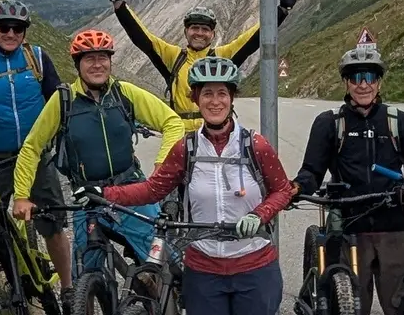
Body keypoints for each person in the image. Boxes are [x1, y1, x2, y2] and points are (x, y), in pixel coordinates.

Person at [91, 57, 296, 315]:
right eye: (207, 93)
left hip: (255, 267)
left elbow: (283, 190)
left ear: (232, 98)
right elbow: (152, 190)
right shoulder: (186, 149)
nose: (215, 101)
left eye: (222, 93)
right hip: (204, 270)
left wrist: (260, 214)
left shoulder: (255, 145)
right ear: (196, 99)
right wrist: (104, 193)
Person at [9, 29, 187, 278]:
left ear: (110, 61)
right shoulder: (63, 101)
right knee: (85, 274)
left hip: (130, 189)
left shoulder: (124, 93)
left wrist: (161, 164)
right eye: (89, 58)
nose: (97, 64)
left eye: (103, 57)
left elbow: (172, 122)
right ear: (77, 64)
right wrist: (21, 196)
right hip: (87, 196)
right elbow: (32, 147)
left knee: (169, 263)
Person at [293, 42, 404, 315]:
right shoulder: (330, 123)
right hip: (348, 230)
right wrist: (298, 187)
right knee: (350, 308)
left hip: (393, 226)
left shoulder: (400, 121)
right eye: (355, 77)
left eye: (369, 77)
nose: (363, 85)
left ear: (379, 82)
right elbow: (312, 170)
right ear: (346, 83)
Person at [103, 0, 302, 126]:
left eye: (205, 29)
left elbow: (252, 38)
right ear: (186, 32)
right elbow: (143, 38)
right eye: (194, 28)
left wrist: (283, 9)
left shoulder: (222, 56)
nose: (199, 33)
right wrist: (119, 4)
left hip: (217, 133)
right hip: (179, 135)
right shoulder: (173, 56)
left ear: (213, 34)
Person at [0, 0, 73, 287]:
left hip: (36, 157)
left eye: (18, 28)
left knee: (53, 225)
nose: (11, 33)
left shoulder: (36, 57)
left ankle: (68, 288)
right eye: (4, 27)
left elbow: (56, 100)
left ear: (25, 31)